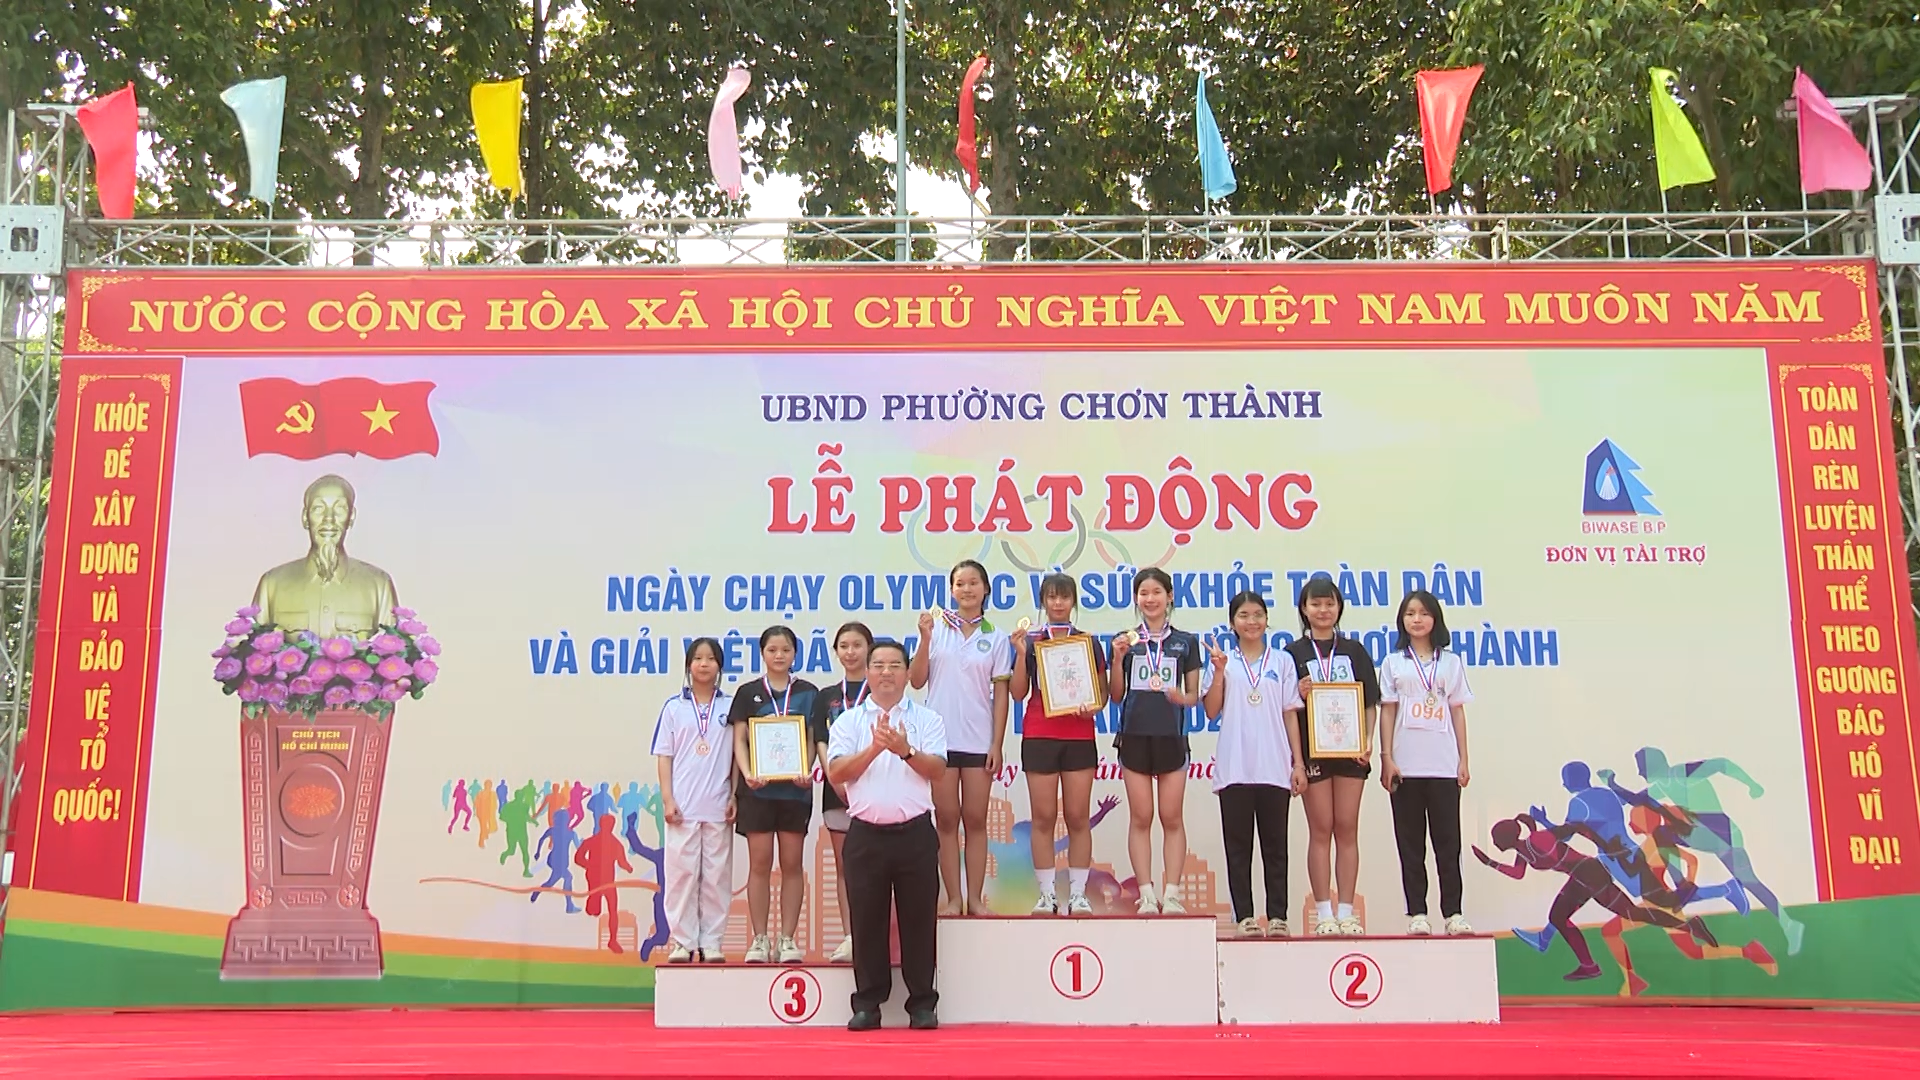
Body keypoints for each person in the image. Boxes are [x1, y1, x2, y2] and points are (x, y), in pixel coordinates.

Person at [828, 639, 948, 1032]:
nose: (886, 672)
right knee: (866, 922)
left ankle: (922, 1004)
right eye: (878, 665)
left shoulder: (927, 719)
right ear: (867, 671)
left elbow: (937, 770)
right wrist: (876, 749)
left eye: (895, 665)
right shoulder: (849, 722)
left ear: (907, 673)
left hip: (915, 834)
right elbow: (837, 772)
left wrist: (905, 750)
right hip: (866, 835)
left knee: (919, 921)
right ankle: (867, 1004)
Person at [1601, 748, 1804, 955]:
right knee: (1664, 834)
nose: (1640, 774)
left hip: (1720, 833)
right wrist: (1612, 784)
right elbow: (1636, 799)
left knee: (1750, 881)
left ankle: (1788, 924)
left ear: (1652, 765)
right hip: (1706, 836)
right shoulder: (1662, 785)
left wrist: (1751, 784)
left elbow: (1721, 763)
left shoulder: (1682, 773)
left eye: (1641, 768)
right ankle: (1788, 924)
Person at [1476, 813, 1717, 984]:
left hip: (1589, 872)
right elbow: (1517, 874)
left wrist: (1602, 844)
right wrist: (1489, 863)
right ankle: (1589, 965)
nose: (1494, 842)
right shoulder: (1523, 851)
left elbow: (1575, 827)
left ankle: (1689, 926)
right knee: (1564, 917)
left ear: (1506, 838)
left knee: (1627, 913)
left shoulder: (1535, 840)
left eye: (1495, 838)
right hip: (1581, 877)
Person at [910, 559, 1013, 915]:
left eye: (973, 583)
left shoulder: (996, 637)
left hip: (978, 740)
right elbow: (916, 680)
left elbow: (1001, 695)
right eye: (960, 584)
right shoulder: (936, 628)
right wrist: (925, 639)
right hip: (939, 742)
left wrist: (997, 743)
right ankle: (953, 898)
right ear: (951, 590)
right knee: (946, 820)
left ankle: (976, 899)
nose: (966, 589)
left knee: (976, 819)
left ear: (985, 589)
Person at [1201, 591, 1306, 937]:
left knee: (1276, 848)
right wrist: (1218, 672)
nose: (1251, 621)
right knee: (1238, 848)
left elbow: (1290, 714)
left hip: (1274, 766)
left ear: (1267, 620)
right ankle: (1244, 916)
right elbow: (1211, 710)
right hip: (1235, 767)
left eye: (1258, 614)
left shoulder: (1283, 661)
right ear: (1232, 622)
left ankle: (1278, 916)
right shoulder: (1223, 661)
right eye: (1243, 615)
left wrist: (1298, 763)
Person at [1284, 575, 1381, 935]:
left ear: (1339, 607)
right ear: (1304, 609)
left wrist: (1368, 741)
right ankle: (1324, 913)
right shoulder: (1293, 653)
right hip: (1314, 752)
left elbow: (1369, 702)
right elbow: (1286, 707)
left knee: (1347, 827)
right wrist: (1297, 690)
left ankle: (1347, 912)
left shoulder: (1355, 650)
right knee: (1321, 828)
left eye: (1329, 603)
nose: (1323, 610)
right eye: (1316, 604)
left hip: (1351, 752)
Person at [1008, 572, 1107, 916]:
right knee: (1043, 818)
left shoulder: (1089, 643)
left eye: (1064, 597)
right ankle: (1047, 894)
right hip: (1039, 735)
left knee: (1078, 817)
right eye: (1051, 597)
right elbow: (1017, 693)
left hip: (1079, 736)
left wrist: (1093, 706)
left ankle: (1078, 894)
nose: (1058, 603)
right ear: (1043, 602)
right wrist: (1020, 654)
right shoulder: (1031, 641)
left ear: (1074, 601)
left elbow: (1102, 693)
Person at [1379, 590, 1474, 937]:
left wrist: (1463, 759)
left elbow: (1457, 711)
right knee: (1410, 845)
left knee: (1448, 844)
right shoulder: (1393, 663)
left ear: (1435, 618)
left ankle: (1453, 913)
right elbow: (1387, 711)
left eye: (1423, 613)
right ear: (1402, 620)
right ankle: (1417, 913)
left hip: (1443, 765)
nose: (1416, 619)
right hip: (1405, 767)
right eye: (1410, 613)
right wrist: (1386, 757)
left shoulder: (1450, 662)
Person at [1107, 567, 1202, 915]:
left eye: (1156, 592)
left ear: (1169, 596)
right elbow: (1116, 696)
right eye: (1143, 593)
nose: (1150, 599)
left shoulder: (1186, 642)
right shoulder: (1125, 641)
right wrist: (1117, 659)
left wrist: (1181, 698)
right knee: (1141, 816)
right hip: (1134, 738)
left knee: (1171, 816)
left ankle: (1172, 893)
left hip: (1172, 738)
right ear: (1136, 599)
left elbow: (1194, 696)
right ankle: (1146, 893)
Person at [729, 625, 818, 963]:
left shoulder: (808, 692)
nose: (779, 655)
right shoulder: (748, 692)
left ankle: (788, 939)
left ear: (795, 654)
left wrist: (806, 768)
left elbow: (811, 738)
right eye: (772, 650)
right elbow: (739, 740)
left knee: (792, 864)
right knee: (760, 864)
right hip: (757, 793)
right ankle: (760, 939)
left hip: (795, 793)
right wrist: (748, 773)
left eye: (786, 650)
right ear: (762, 654)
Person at [652, 637, 736, 964]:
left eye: (711, 658)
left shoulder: (730, 707)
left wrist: (734, 794)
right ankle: (683, 942)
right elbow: (664, 756)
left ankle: (712, 942)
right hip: (682, 808)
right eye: (698, 658)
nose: (704, 664)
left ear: (720, 666)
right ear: (689, 665)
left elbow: (737, 756)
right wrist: (667, 799)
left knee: (716, 878)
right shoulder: (674, 708)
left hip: (718, 805)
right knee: (681, 877)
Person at [809, 622, 874, 962]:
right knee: (845, 866)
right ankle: (851, 937)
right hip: (838, 791)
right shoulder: (826, 696)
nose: (851, 652)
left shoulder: (881, 690)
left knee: (877, 867)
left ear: (869, 648)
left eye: (857, 645)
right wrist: (835, 777)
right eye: (844, 646)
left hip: (878, 789)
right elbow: (820, 739)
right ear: (836, 652)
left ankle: (876, 935)